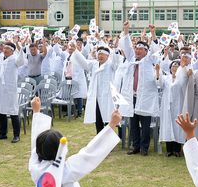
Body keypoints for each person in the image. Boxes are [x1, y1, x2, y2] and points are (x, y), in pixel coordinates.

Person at [119, 22, 161, 156]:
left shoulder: (149, 59)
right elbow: (126, 46)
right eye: (136, 48)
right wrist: (126, 30)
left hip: (146, 96)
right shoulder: (132, 58)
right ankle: (135, 146)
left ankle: (144, 148)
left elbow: (156, 50)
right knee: (133, 123)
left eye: (140, 49)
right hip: (132, 95)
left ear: (146, 51)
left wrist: (153, 34)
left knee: (145, 123)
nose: (137, 51)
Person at [72, 44, 120, 133]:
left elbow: (116, 61)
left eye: (102, 54)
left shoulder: (111, 65)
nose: (100, 56)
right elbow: (84, 63)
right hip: (96, 97)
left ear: (108, 56)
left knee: (108, 119)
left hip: (107, 97)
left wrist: (116, 49)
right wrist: (76, 51)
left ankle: (108, 140)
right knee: (98, 119)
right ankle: (99, 139)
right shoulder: (94, 64)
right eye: (99, 54)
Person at [0, 40, 26, 143]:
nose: (5, 50)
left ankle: (16, 135)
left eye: (7, 48)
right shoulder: (0, 58)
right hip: (1, 89)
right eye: (4, 48)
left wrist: (19, 47)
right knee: (1, 112)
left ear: (12, 51)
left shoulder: (15, 59)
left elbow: (22, 60)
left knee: (13, 112)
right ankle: (2, 134)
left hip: (10, 90)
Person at [155, 56, 190, 157]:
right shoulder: (166, 78)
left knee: (177, 126)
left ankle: (177, 149)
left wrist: (183, 68)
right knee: (167, 125)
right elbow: (159, 84)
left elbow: (184, 82)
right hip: (167, 105)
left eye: (176, 66)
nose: (174, 68)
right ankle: (169, 149)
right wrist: (158, 72)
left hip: (178, 104)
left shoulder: (181, 78)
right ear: (170, 68)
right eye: (173, 66)